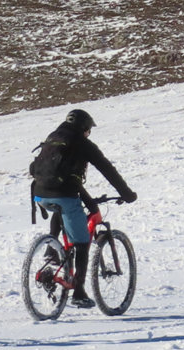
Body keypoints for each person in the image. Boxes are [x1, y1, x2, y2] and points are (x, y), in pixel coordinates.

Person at [28, 107, 136, 308]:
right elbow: (107, 169)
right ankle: (79, 292)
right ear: (84, 128)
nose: (88, 133)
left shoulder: (53, 137)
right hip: (64, 194)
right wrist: (127, 193)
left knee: (60, 208)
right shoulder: (82, 143)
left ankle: (52, 249)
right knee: (82, 242)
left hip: (40, 195)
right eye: (88, 130)